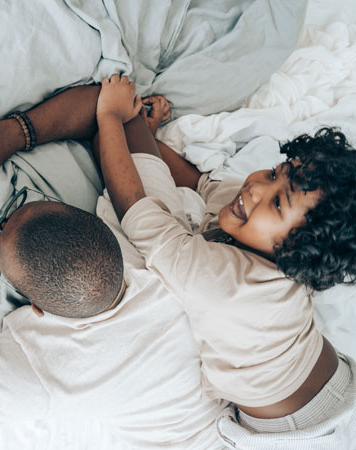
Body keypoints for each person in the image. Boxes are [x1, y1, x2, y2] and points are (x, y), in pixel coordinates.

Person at [0, 168, 224, 448]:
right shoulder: (163, 250)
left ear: (37, 309)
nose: (3, 224)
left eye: (0, 233)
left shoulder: (44, 366)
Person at [92, 75, 356, 447]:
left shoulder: (226, 283)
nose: (257, 187)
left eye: (278, 203)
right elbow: (201, 183)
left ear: (301, 253)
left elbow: (137, 210)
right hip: (336, 378)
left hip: (297, 432)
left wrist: (109, 117)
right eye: (274, 172)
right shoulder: (254, 215)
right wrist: (147, 136)